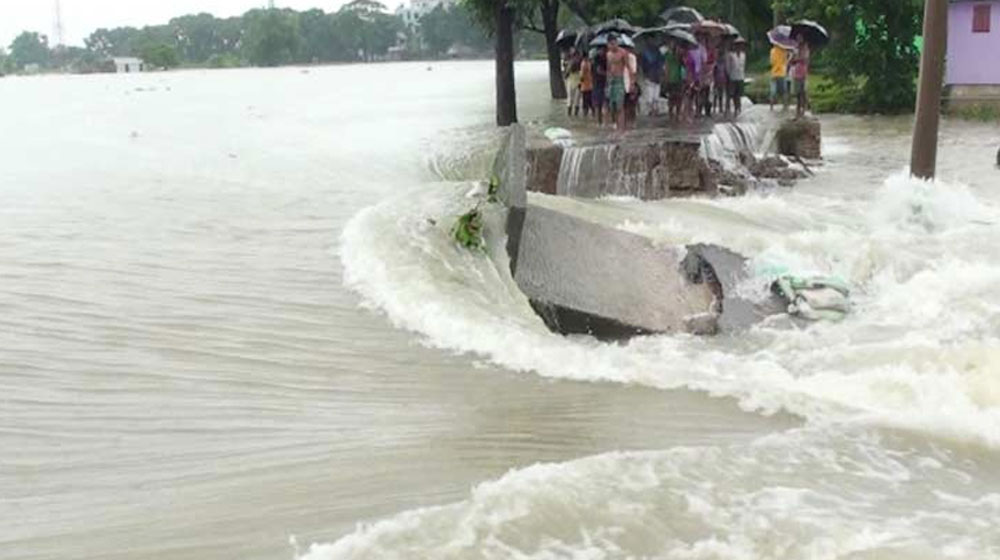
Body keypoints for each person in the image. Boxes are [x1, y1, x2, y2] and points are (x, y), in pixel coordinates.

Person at [605, 34, 629, 130]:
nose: (613, 46)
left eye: (614, 43)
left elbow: (628, 67)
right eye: (610, 44)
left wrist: (631, 82)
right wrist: (607, 84)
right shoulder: (608, 54)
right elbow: (608, 69)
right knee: (612, 106)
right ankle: (615, 124)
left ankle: (621, 127)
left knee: (620, 106)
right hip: (611, 81)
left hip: (620, 80)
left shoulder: (623, 53)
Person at [639, 39, 665, 116]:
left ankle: (654, 109)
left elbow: (662, 64)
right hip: (651, 76)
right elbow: (643, 66)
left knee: (655, 94)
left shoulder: (658, 53)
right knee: (651, 94)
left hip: (655, 76)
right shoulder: (646, 54)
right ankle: (653, 109)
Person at [790, 33, 811, 118]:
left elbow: (805, 59)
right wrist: (793, 57)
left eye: (800, 38)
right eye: (797, 38)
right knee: (798, 93)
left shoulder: (806, 49)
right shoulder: (795, 49)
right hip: (796, 73)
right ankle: (798, 110)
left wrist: (797, 58)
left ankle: (804, 109)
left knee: (803, 92)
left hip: (803, 72)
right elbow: (791, 61)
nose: (798, 40)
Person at [663, 41, 685, 121]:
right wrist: (666, 78)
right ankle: (671, 113)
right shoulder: (668, 55)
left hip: (678, 78)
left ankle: (677, 113)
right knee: (671, 97)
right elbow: (666, 66)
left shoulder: (680, 56)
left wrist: (680, 55)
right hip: (671, 79)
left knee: (679, 97)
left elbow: (684, 65)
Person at [726, 38, 747, 117]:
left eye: (741, 45)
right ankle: (735, 107)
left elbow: (743, 66)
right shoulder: (731, 55)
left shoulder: (743, 55)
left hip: (740, 76)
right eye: (738, 45)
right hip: (733, 76)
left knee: (739, 93)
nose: (739, 47)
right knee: (733, 94)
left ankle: (738, 107)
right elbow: (728, 66)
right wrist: (729, 75)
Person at [769, 42, 789, 111]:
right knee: (784, 91)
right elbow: (786, 61)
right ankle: (785, 106)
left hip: (774, 73)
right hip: (782, 73)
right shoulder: (784, 51)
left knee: (773, 91)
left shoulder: (772, 51)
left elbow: (771, 62)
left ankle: (771, 107)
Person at [563, 47, 583, 117]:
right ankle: (572, 114)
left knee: (575, 98)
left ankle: (573, 115)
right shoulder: (568, 60)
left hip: (577, 80)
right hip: (572, 80)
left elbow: (566, 74)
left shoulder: (578, 60)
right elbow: (566, 74)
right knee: (572, 98)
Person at [593, 45, 609, 125]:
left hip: (605, 83)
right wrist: (608, 74)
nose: (603, 51)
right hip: (597, 84)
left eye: (604, 50)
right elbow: (598, 70)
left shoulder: (607, 58)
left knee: (605, 103)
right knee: (598, 105)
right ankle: (598, 122)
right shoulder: (596, 59)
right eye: (602, 50)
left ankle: (604, 122)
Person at [713, 39, 729, 116]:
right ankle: (716, 108)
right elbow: (714, 72)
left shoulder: (724, 62)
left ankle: (721, 108)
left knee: (721, 94)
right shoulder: (717, 64)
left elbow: (726, 71)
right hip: (718, 80)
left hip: (722, 79)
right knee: (717, 94)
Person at [580, 54, 595, 118]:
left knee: (586, 100)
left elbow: (582, 76)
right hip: (589, 84)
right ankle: (593, 113)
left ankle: (586, 114)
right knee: (589, 100)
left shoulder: (584, 64)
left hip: (585, 86)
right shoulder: (589, 63)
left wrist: (580, 82)